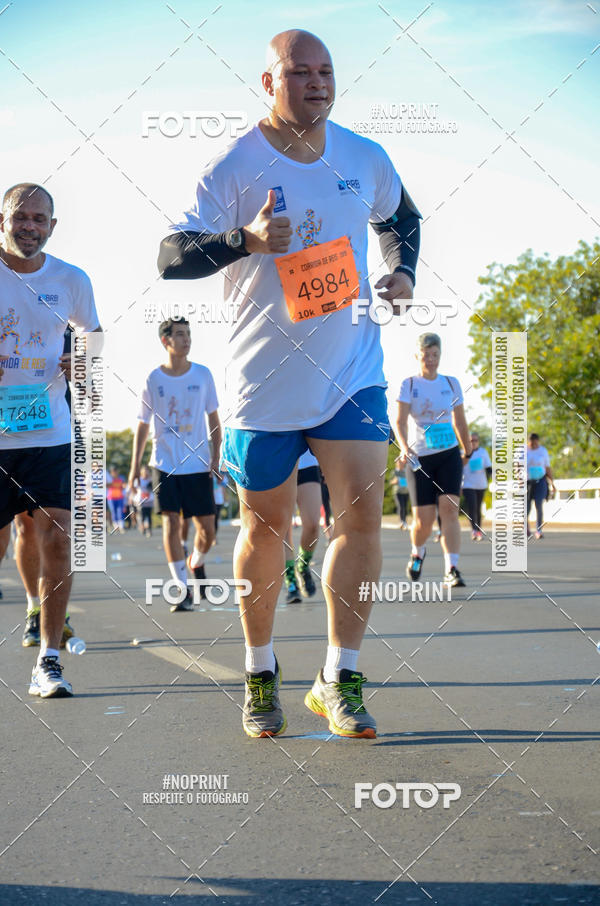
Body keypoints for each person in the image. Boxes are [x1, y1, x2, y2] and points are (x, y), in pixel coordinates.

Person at [158, 29, 420, 738]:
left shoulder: (364, 156)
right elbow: (172, 256)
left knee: (361, 517)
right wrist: (244, 241)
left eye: (326, 71)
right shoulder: (232, 164)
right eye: (299, 72)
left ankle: (341, 676)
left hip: (352, 373)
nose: (316, 82)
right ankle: (260, 670)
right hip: (260, 386)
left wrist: (402, 271)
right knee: (266, 529)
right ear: (268, 81)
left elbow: (401, 219)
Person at [0, 182, 101, 697]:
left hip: (49, 431)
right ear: (3, 219)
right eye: (21, 217)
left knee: (58, 538)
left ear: (53, 227)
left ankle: (49, 659)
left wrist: (79, 360)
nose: (30, 227)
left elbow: (93, 340)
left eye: (40, 219)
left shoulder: (71, 279)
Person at [129, 317, 221, 611]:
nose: (187, 339)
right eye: (180, 335)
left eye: (189, 334)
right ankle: (181, 589)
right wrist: (134, 467)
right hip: (164, 463)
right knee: (169, 523)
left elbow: (214, 421)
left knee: (207, 531)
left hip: (197, 464)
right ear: (165, 341)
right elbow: (142, 425)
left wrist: (216, 455)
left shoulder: (203, 375)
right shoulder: (153, 379)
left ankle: (196, 561)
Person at [395, 333, 471, 588]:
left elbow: (459, 421)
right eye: (426, 355)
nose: (430, 359)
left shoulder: (451, 383)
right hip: (420, 458)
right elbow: (400, 421)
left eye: (435, 354)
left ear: (440, 355)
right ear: (418, 356)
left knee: (449, 510)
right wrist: (405, 448)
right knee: (423, 521)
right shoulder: (409, 384)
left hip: (448, 454)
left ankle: (452, 568)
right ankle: (418, 551)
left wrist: (467, 450)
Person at [284, 448, 321, 602]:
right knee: (283, 531)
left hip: (307, 461)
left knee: (312, 524)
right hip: (279, 462)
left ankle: (303, 566)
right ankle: (291, 582)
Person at [462, 431, 492, 540]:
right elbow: (458, 470)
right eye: (471, 440)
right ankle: (474, 530)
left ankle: (478, 530)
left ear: (478, 442)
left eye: (475, 440)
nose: (473, 442)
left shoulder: (483, 452)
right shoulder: (463, 452)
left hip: (480, 484)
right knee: (472, 507)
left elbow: (489, 467)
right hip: (467, 485)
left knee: (478, 508)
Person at [527, 433, 555, 540]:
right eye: (531, 442)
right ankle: (526, 529)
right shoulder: (523, 451)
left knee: (539, 505)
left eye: (534, 442)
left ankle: (539, 530)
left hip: (541, 481)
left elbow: (547, 467)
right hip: (528, 482)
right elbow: (517, 467)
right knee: (527, 508)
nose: (533, 444)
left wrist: (552, 482)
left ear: (538, 441)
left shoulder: (543, 451)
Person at [133, 465, 155, 538]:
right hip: (141, 500)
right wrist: (134, 498)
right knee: (142, 515)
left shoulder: (151, 479)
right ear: (141, 472)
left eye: (147, 470)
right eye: (144, 471)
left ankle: (149, 530)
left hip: (149, 500)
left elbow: (155, 488)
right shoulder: (138, 480)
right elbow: (134, 489)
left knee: (148, 515)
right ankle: (142, 527)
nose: (145, 472)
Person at [390, 456, 409, 530]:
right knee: (400, 506)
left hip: (405, 491)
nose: (400, 463)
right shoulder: (394, 472)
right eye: (398, 463)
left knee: (405, 507)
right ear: (396, 464)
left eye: (401, 462)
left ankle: (405, 521)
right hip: (397, 492)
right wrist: (394, 481)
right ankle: (401, 521)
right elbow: (390, 482)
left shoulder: (405, 471)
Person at [106, 466, 126, 533]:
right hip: (111, 498)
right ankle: (115, 526)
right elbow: (106, 485)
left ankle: (121, 527)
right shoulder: (109, 479)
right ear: (111, 472)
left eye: (115, 471)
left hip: (120, 497)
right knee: (113, 512)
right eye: (113, 471)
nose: (114, 472)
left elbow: (124, 486)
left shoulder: (121, 478)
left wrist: (124, 486)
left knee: (120, 511)